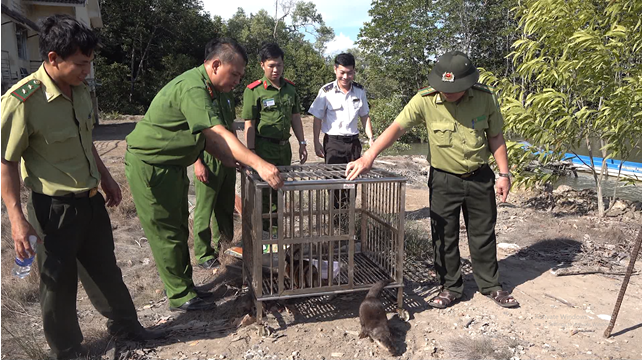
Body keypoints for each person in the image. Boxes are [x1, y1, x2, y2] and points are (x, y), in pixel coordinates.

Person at [0, 14, 163, 359]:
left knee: (106, 269)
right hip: (52, 209)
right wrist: (16, 218)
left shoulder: (80, 91)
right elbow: (7, 162)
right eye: (80, 63)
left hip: (90, 202)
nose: (87, 70)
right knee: (57, 285)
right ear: (53, 59)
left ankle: (126, 327)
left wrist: (105, 177)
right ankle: (69, 350)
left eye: (89, 62)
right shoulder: (22, 101)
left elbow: (84, 139)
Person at [345, 51, 519, 309]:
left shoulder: (484, 98)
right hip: (444, 179)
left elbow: (495, 136)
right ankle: (451, 286)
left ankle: (491, 285)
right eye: (443, 88)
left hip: (479, 176)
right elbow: (397, 127)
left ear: (468, 83)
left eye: (454, 89)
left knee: (483, 233)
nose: (446, 93)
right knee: (443, 235)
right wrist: (369, 156)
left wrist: (504, 174)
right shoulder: (424, 99)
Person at [125, 38, 282, 312]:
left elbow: (211, 141)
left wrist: (235, 162)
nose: (237, 81)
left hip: (172, 165)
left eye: (241, 76)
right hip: (151, 165)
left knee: (177, 227)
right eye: (234, 74)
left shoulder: (212, 90)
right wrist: (259, 164)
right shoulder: (194, 88)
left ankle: (185, 287)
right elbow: (217, 133)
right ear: (215, 64)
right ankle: (180, 295)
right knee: (166, 231)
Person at [242, 42, 307, 235]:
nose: (276, 69)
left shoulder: (290, 89)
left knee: (279, 192)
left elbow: (295, 118)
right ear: (262, 65)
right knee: (262, 194)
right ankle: (262, 237)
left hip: (283, 149)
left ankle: (276, 236)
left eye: (279, 65)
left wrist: (302, 143)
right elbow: (249, 124)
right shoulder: (254, 90)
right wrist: (251, 153)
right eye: (271, 65)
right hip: (263, 148)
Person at [308, 52, 372, 215]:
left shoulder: (359, 91)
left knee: (352, 183)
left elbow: (365, 116)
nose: (345, 76)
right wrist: (316, 142)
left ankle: (348, 220)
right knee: (334, 183)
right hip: (333, 143)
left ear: (354, 71)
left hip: (353, 143)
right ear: (335, 70)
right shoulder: (326, 91)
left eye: (349, 72)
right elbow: (317, 118)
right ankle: (335, 222)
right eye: (342, 72)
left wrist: (371, 138)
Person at [192, 51, 237, 270]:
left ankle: (226, 246)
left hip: (227, 159)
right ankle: (203, 253)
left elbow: (230, 128)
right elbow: (196, 133)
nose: (234, 80)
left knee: (226, 206)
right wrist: (197, 162)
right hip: (208, 157)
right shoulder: (201, 94)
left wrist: (237, 157)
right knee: (205, 208)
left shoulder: (227, 95)